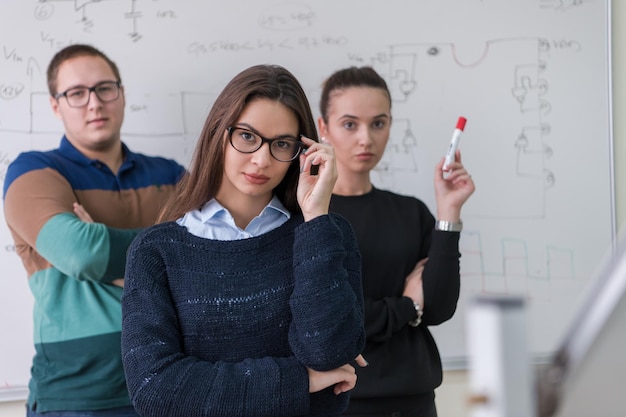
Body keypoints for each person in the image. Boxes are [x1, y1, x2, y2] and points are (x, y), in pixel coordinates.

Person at [120, 64, 366, 417]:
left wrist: (314, 217)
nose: (262, 159)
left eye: (282, 144)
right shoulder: (155, 251)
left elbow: (328, 355)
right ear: (220, 131)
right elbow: (155, 391)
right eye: (247, 136)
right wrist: (298, 380)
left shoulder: (326, 233)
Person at [2, 44, 185, 416]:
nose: (94, 103)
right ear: (56, 105)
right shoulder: (32, 172)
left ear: (121, 93)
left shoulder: (170, 175)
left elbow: (214, 258)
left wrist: (110, 258)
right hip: (77, 395)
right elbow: (83, 254)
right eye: (76, 93)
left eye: (105, 88)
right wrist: (167, 251)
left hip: (171, 382)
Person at [317, 66, 476, 417]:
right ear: (323, 128)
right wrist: (406, 308)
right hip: (337, 401)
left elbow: (438, 308)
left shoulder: (411, 213)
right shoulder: (310, 218)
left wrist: (448, 211)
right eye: (349, 124)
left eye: (378, 123)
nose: (366, 138)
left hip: (413, 400)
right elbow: (332, 322)